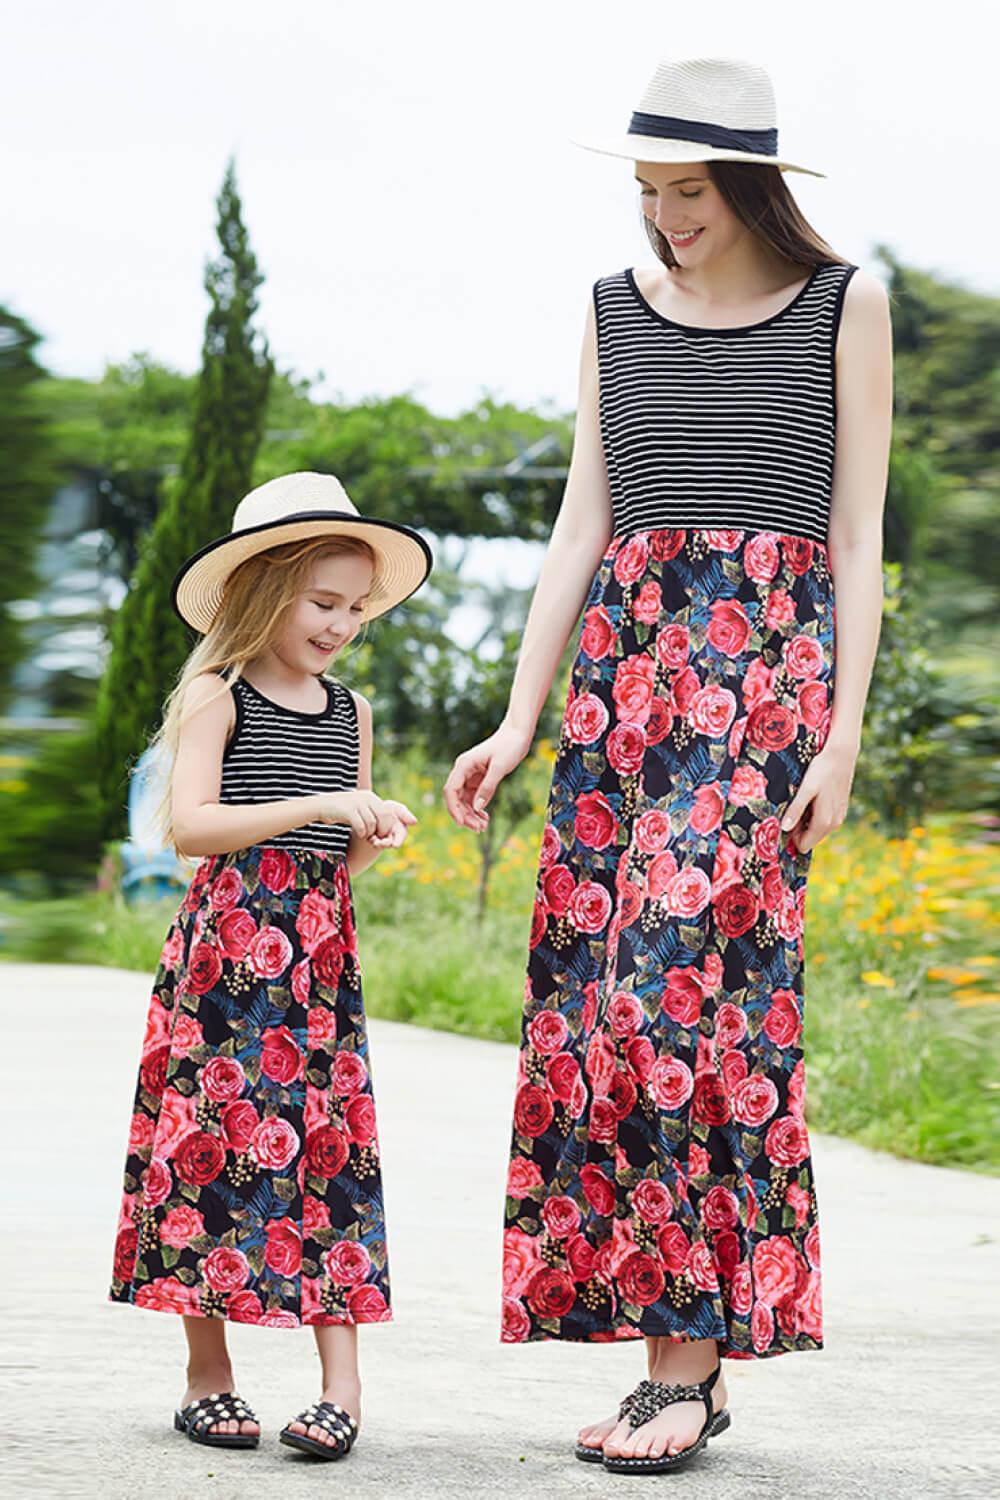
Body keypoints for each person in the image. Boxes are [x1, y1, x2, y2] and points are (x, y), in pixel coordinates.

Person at [444, 56, 891, 1475]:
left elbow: (860, 537)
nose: (665, 217)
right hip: (620, 712)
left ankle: (691, 1371)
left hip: (760, 702)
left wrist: (845, 735)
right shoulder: (610, 312)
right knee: (608, 1028)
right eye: (649, 191)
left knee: (687, 1005)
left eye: (688, 191)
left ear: (750, 182)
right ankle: (671, 1371)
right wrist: (517, 721)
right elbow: (581, 526)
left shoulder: (845, 304)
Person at [110, 471, 432, 1461]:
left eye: (355, 608)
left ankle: (343, 1386)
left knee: (327, 1158)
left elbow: (344, 856)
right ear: (264, 591)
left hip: (317, 967)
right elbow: (191, 826)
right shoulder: (219, 695)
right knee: (207, 1154)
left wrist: (374, 828)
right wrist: (317, 807)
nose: (341, 625)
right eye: (322, 603)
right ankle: (209, 1377)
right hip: (225, 966)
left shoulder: (352, 712)